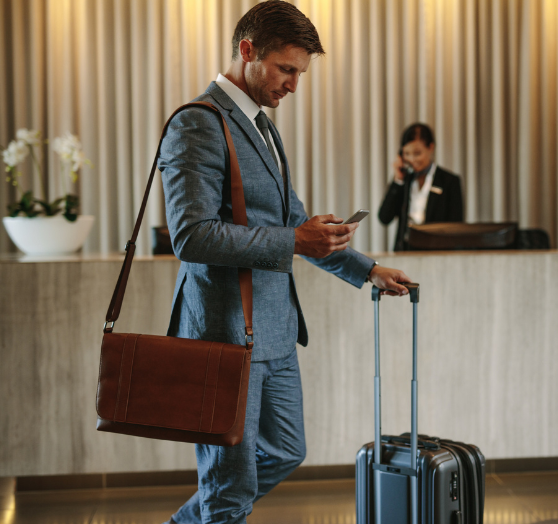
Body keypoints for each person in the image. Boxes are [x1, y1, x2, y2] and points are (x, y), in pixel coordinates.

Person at [157, 2, 410, 522]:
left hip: (273, 331)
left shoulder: (262, 126)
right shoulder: (198, 123)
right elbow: (191, 235)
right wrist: (294, 240)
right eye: (286, 69)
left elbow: (291, 221)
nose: (294, 85)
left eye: (301, 72)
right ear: (247, 51)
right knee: (229, 486)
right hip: (225, 334)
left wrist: (367, 270)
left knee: (286, 452)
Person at [378, 124, 464, 251]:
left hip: (437, 252)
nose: (412, 159)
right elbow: (384, 218)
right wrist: (398, 180)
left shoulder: (449, 181)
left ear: (430, 147)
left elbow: (456, 226)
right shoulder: (404, 180)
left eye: (417, 153)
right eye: (407, 153)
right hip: (405, 252)